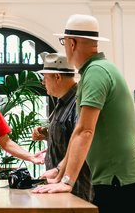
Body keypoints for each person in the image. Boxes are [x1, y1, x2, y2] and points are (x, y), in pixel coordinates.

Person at [33, 14, 135, 213]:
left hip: (119, 180)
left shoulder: (96, 72)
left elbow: (85, 131)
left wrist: (67, 181)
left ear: (71, 43)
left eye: (63, 42)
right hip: (116, 179)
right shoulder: (95, 70)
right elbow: (78, 131)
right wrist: (60, 172)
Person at [32, 53, 93, 202]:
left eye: (45, 78)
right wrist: (48, 135)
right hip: (58, 185)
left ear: (57, 77)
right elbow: (69, 135)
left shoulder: (78, 103)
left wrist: (60, 172)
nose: (43, 83)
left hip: (75, 189)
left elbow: (82, 141)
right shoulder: (61, 103)